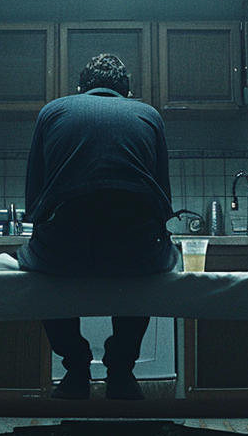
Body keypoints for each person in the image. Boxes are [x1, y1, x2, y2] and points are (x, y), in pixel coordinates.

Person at [17, 53, 179, 401]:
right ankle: (121, 372)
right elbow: (163, 196)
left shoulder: (52, 111)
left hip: (66, 245)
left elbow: (35, 198)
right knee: (143, 272)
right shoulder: (149, 115)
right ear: (127, 92)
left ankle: (75, 370)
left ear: (80, 89)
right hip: (133, 249)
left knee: (43, 276)